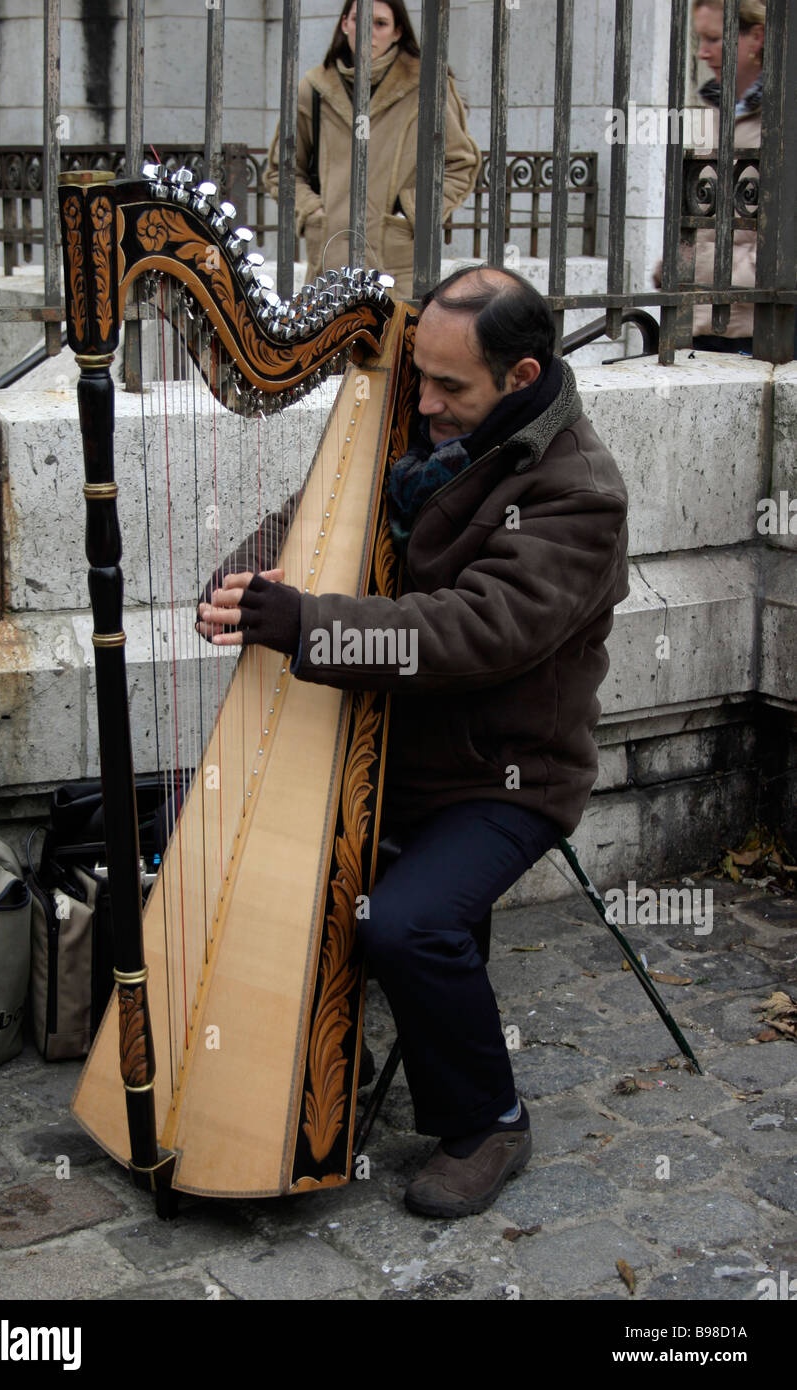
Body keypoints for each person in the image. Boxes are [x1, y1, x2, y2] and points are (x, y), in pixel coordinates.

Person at [197, 265, 629, 1218]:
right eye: (416, 376)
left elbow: (473, 631)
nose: (421, 400)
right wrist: (242, 583)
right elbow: (310, 517)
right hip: (384, 740)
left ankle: (490, 1122)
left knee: (404, 921)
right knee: (225, 852)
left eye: (448, 388)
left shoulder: (575, 493)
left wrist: (305, 624)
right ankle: (306, 1066)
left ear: (519, 379)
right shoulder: (423, 427)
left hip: (499, 773)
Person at [264, 0, 480, 298]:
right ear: (344, 24)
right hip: (329, 268)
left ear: (397, 32)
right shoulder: (313, 89)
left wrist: (410, 211)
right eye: (359, 20)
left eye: (380, 23)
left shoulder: (427, 85)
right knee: (330, 345)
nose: (368, 32)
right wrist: (313, 212)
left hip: (398, 269)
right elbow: (283, 171)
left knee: (395, 343)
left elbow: (460, 164)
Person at [655, 0, 765, 353]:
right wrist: (674, 263)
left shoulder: (782, 118)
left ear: (757, 37)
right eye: (700, 39)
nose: (702, 53)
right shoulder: (713, 114)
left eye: (714, 39)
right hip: (697, 320)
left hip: (760, 328)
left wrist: (706, 272)